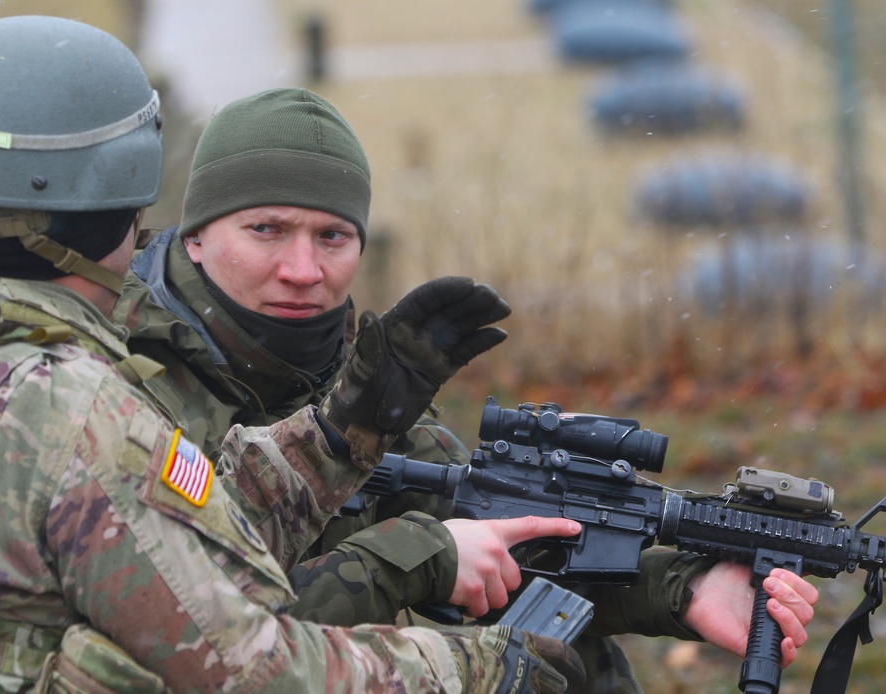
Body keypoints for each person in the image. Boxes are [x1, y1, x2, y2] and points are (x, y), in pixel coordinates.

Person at [0, 16, 594, 693]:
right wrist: (478, 667)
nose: (302, 268)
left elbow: (174, 531)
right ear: (119, 200)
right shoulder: (77, 410)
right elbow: (254, 669)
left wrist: (342, 430)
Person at [114, 86, 819, 691]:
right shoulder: (111, 386)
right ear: (198, 235)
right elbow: (191, 634)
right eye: (266, 229)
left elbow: (503, 543)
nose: (304, 269)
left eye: (332, 236)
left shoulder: (365, 387)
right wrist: (416, 559)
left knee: (561, 646)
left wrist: (682, 590)